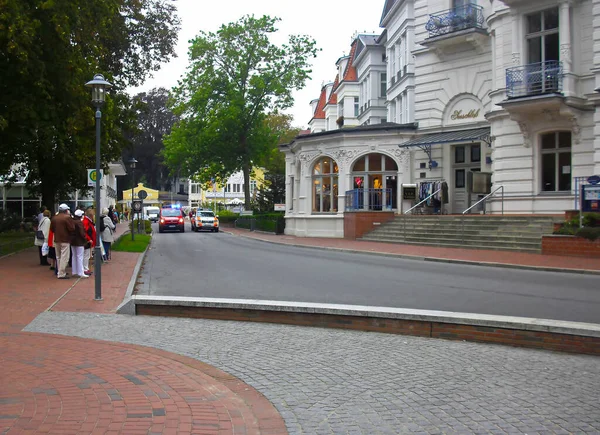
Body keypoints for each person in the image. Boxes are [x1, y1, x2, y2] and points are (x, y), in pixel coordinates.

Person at [50, 204, 75, 279]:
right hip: (65, 239)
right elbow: (72, 228)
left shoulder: (54, 218)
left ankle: (60, 271)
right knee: (65, 257)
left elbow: (52, 229)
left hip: (57, 239)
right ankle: (61, 273)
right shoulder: (67, 218)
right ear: (66, 210)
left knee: (58, 256)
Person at [70, 210, 88, 278]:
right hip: (79, 241)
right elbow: (82, 233)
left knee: (74, 256)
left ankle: (74, 271)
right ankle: (81, 272)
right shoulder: (79, 222)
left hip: (73, 241)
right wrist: (85, 239)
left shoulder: (72, 221)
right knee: (80, 257)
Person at [82, 206, 96, 275]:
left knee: (87, 255)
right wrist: (89, 239)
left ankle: (86, 268)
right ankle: (85, 268)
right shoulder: (86, 222)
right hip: (87, 241)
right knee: (86, 255)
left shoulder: (88, 221)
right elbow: (86, 231)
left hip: (89, 241)